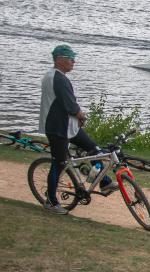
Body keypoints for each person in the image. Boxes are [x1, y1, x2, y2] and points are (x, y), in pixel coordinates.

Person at [39, 45, 118, 215]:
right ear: (59, 59)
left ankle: (103, 182)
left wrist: (77, 117)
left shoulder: (54, 76)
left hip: (69, 127)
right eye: (70, 58)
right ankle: (51, 201)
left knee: (94, 150)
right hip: (57, 129)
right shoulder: (57, 78)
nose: (73, 61)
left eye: (73, 58)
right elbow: (70, 104)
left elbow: (66, 104)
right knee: (58, 164)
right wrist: (81, 115)